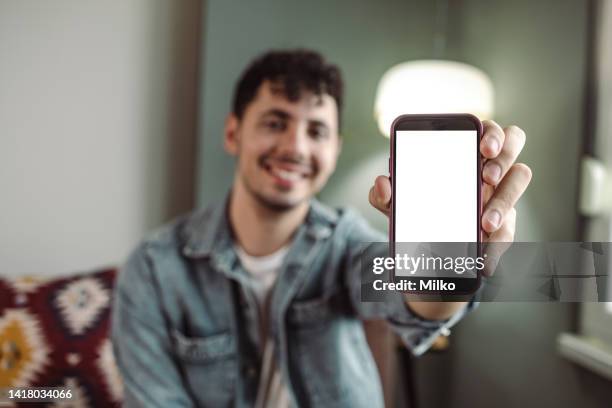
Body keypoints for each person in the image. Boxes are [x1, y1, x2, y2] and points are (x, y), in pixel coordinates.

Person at [111, 49, 531, 408]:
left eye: (316, 131)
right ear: (233, 132)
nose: (296, 147)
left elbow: (416, 310)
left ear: (334, 150)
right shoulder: (153, 268)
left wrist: (448, 260)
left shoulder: (347, 245)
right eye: (275, 122)